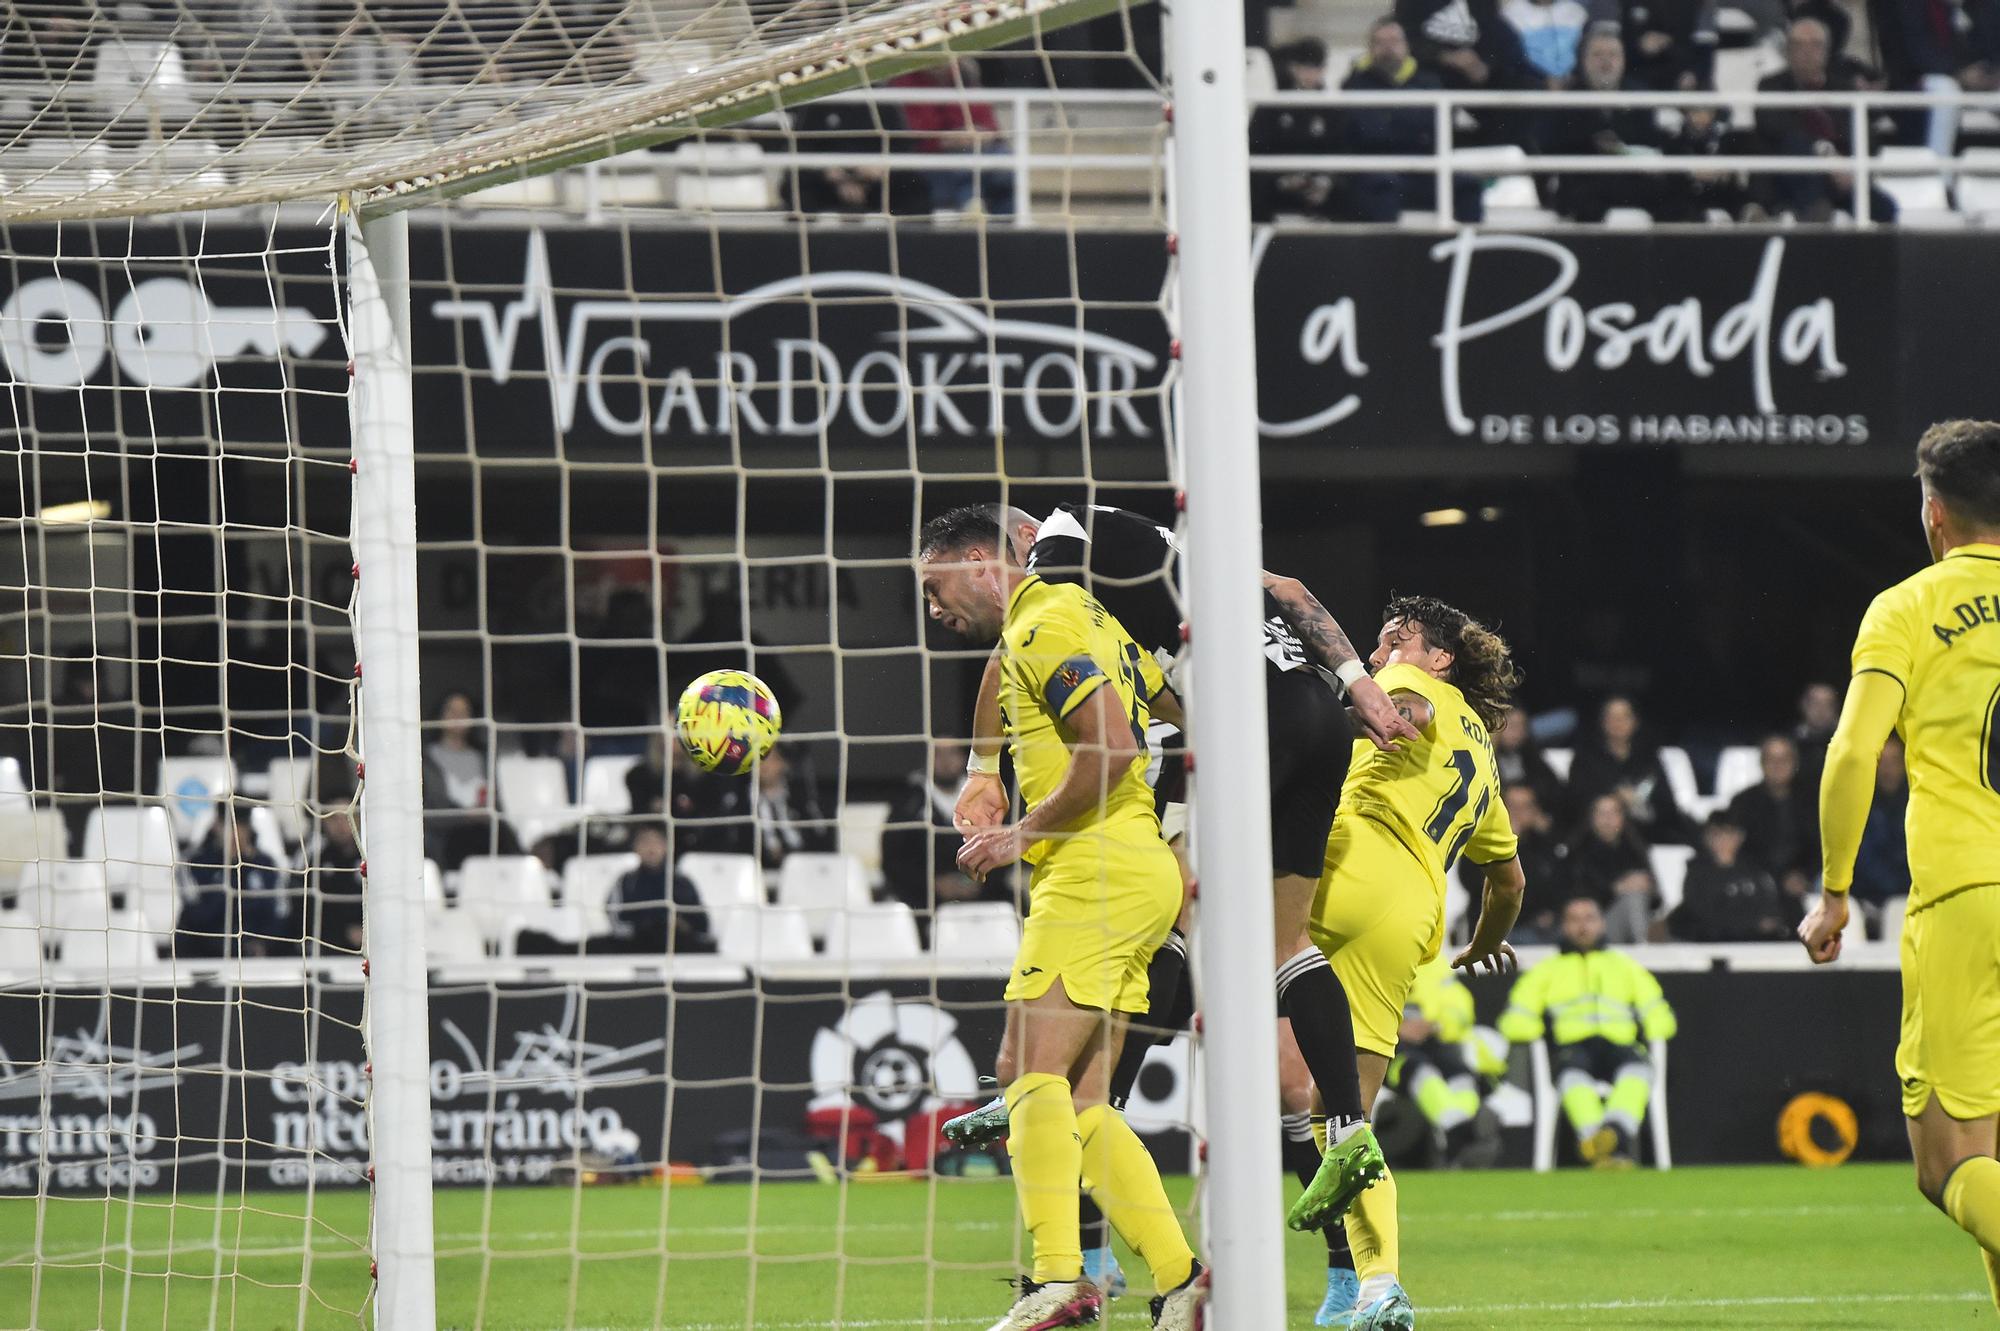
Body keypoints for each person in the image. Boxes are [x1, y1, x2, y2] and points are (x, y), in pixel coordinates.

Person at [945, 503, 1418, 1277]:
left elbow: (1020, 647)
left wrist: (982, 770)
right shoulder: (1176, 555)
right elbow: (1293, 590)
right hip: (1317, 713)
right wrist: (1358, 684)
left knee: (1169, 897)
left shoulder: (1063, 541)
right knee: (1280, 942)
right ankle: (1351, 1125)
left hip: (1237, 723)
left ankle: (1074, 1103)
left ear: (1027, 540)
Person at [916, 509, 1207, 1330]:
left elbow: (1111, 748)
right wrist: (984, 770)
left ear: (980, 564)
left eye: (935, 590)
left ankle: (1061, 1276)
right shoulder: (1085, 616)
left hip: (1094, 869)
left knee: (1027, 1076)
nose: (934, 613)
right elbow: (1174, 707)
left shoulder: (1043, 623)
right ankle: (1184, 1279)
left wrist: (1020, 831)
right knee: (1080, 1098)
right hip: (1140, 867)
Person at [1800, 421, 2000, 1316]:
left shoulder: (1908, 606)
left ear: (1934, 516)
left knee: (1949, 1161)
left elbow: (1851, 755)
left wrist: (1836, 890)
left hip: (1967, 892)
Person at [1289, 595, 1528, 1331]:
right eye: (1383, 636)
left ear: (1439, 658)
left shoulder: (1413, 689)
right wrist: (1485, 942)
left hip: (1347, 864)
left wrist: (1374, 702)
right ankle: (1375, 1287)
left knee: (1187, 915)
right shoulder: (1483, 751)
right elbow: (1510, 880)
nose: (1385, 645)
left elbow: (1402, 707)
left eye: (1403, 637)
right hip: (1409, 915)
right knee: (1341, 1117)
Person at [1502, 897, 1677, 1167]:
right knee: (1573, 1079)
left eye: (1589, 918)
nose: (1582, 927)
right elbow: (1515, 1018)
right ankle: (1606, 1145)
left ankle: (1611, 1135)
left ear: (1602, 923)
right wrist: (1534, 1030)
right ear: (1564, 926)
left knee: (1639, 1072)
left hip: (1618, 1043)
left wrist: (1656, 1029)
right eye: (1574, 920)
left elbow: (1659, 1012)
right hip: (1574, 1046)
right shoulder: (1547, 971)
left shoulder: (1624, 966)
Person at [1337, 18, 1484, 222]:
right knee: (1383, 187)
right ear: (1370, 48)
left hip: (1422, 171)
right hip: (1376, 172)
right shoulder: (1354, 84)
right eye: (1381, 42)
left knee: (1467, 186)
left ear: (1406, 45)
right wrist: (1408, 124)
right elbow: (1367, 134)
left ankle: (1468, 251)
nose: (1388, 48)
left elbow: (1435, 131)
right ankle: (1386, 253)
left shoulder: (1429, 82)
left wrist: (1392, 123)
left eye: (1394, 41)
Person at [1755, 18, 1897, 222]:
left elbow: (1867, 135)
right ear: (1788, 50)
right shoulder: (1771, 85)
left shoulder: (1844, 89)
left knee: (1885, 208)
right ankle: (1818, 217)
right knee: (1796, 146)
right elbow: (1776, 128)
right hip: (1796, 175)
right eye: (1798, 45)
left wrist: (1849, 165)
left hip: (1843, 176)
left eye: (1815, 45)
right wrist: (1824, 154)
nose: (1806, 52)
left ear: (1826, 50)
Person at [1540, 26, 1680, 222]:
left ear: (1623, 60)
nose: (1606, 61)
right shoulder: (1568, 99)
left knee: (1672, 197)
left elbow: (1650, 141)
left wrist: (1620, 148)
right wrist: (1592, 142)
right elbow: (1551, 146)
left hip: (1631, 179)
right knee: (1582, 199)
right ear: (1584, 61)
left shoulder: (1639, 96)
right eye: (1598, 55)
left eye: (1613, 55)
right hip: (1585, 182)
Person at [881, 741, 1010, 942]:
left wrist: (980, 882)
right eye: (938, 754)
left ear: (964, 758)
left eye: (951, 753)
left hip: (984, 892)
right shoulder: (907, 804)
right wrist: (934, 884)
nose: (945, 761)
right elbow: (893, 862)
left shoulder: (987, 797)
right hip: (925, 898)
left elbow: (1005, 848)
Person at [1384, 957, 1504, 1167]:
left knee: (1461, 1072)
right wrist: (1396, 1028)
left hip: (1434, 1041)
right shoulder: (1373, 960)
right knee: (1418, 1069)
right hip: (1388, 1050)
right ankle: (1461, 1133)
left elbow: (1460, 1005)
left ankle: (1460, 1131)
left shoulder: (1435, 966)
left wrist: (1436, 1025)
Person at [891, 61, 1016, 214]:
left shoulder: (964, 76)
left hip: (976, 150)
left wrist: (980, 134)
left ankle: (1002, 224)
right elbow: (917, 132)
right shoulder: (904, 82)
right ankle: (970, 219)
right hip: (934, 157)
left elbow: (990, 126)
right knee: (968, 172)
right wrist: (948, 139)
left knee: (1005, 164)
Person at [1566, 695, 1691, 844]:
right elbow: (1575, 800)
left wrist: (1640, 802)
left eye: (1624, 716)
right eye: (1612, 717)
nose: (1618, 722)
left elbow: (1667, 804)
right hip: (1599, 833)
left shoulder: (1648, 757)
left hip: (1648, 830)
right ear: (1602, 722)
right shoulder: (1585, 757)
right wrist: (1615, 799)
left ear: (1635, 722)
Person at [176, 804, 291, 959]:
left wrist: (263, 944)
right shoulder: (195, 864)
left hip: (258, 954)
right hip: (208, 953)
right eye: (229, 825)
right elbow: (196, 917)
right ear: (217, 826)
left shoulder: (265, 864)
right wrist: (230, 871)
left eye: (242, 826)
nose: (237, 833)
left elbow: (279, 914)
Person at [1250, 38, 1343, 222]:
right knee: (1255, 184)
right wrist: (1282, 178)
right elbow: (1256, 145)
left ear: (1324, 70)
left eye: (1315, 68)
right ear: (1292, 68)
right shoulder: (1273, 104)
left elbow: (1342, 146)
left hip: (1320, 181)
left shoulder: (1334, 107)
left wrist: (1325, 180)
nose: (1309, 74)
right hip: (1280, 180)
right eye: (1304, 67)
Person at [1668, 811, 1796, 941]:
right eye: (1717, 834)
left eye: (1729, 834)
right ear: (1706, 837)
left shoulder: (1756, 869)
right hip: (1714, 941)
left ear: (1740, 837)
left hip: (1757, 941)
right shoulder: (1697, 872)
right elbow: (1701, 912)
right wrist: (1750, 923)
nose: (1723, 840)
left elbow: (1769, 903)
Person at [1464, 784, 1567, 942]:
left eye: (1524, 807)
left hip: (1540, 924)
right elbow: (1473, 881)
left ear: (1534, 811)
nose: (1517, 813)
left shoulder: (1545, 844)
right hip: (1495, 921)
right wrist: (1508, 842)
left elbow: (1553, 884)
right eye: (1512, 806)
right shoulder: (1482, 838)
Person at [1725, 734, 1819, 894]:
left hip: (1804, 881)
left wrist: (1804, 876)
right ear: (1762, 764)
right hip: (1756, 883)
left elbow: (1822, 847)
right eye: (1771, 759)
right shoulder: (1743, 802)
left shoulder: (1813, 801)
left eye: (1784, 759)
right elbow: (1738, 850)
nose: (1778, 765)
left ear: (1795, 763)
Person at [1565, 793, 1659, 944]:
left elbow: (1655, 900)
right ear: (1592, 818)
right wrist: (1616, 888)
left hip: (1631, 914)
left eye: (1613, 812)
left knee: (1635, 896)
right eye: (1602, 813)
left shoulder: (1635, 848)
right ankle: (1642, 947)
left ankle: (1642, 942)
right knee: (1633, 896)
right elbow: (1577, 896)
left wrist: (1648, 887)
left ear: (1622, 817)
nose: (1607, 819)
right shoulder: (1579, 849)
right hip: (1594, 920)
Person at [1851, 734, 1911, 937]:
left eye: (1894, 761)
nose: (1888, 769)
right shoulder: (1859, 803)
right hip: (1868, 896)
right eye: (1882, 762)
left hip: (1912, 892)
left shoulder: (1920, 802)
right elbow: (1863, 858)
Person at [1493, 705, 1567, 824]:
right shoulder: (1487, 755)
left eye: (1521, 726)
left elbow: (1553, 789)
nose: (1516, 732)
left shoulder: (1531, 755)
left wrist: (1531, 799)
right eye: (1511, 726)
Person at [1620, 0, 1719, 89]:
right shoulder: (1629, 3)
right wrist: (1639, 46)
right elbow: (1617, 45)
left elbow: (1706, 51)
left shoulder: (1698, 4)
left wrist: (1694, 74)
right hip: (1637, 75)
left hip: (1681, 76)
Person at [309, 808, 365, 955]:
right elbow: (307, 911)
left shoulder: (372, 859)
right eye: (333, 818)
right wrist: (343, 932)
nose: (340, 825)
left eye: (346, 817)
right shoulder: (315, 862)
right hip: (327, 947)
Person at [1503, 0, 1594, 85]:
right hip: (1530, 84)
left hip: (1572, 83)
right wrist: (1542, 79)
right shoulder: (1512, 12)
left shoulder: (1575, 10)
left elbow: (1585, 49)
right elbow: (1513, 56)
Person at [1794, 680, 1843, 785]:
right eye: (1815, 703)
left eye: (1827, 704)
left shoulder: (1846, 743)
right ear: (1803, 705)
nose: (1821, 710)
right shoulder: (1789, 741)